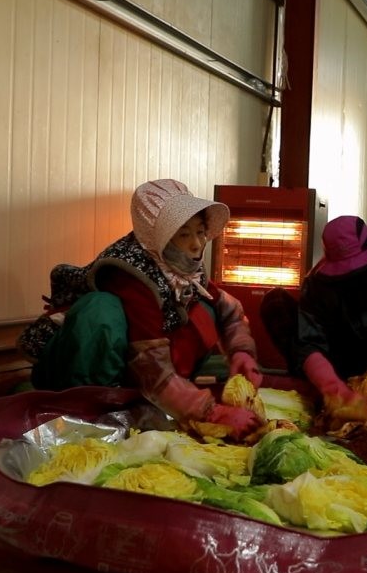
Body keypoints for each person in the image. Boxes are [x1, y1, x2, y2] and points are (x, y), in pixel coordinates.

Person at [16, 179, 262, 440]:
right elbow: (150, 364)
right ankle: (93, 412)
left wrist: (241, 353)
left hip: (137, 369)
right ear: (161, 236)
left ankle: (158, 397)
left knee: (204, 310)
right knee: (101, 312)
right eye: (184, 234)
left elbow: (227, 307)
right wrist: (212, 413)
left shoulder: (178, 266)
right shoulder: (131, 274)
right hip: (75, 370)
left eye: (200, 231)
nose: (197, 244)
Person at [261, 216, 367, 409]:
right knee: (275, 302)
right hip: (336, 360)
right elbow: (308, 344)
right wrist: (330, 385)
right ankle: (315, 388)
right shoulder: (317, 285)